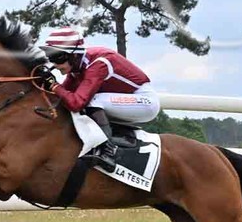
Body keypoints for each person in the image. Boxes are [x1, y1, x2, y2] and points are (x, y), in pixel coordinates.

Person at [34, 27, 160, 165]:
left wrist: (53, 85)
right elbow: (62, 96)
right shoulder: (77, 67)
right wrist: (45, 84)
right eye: (50, 57)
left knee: (92, 101)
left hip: (145, 102)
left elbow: (76, 103)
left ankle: (108, 151)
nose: (55, 64)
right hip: (127, 101)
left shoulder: (98, 64)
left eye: (57, 58)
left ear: (74, 55)